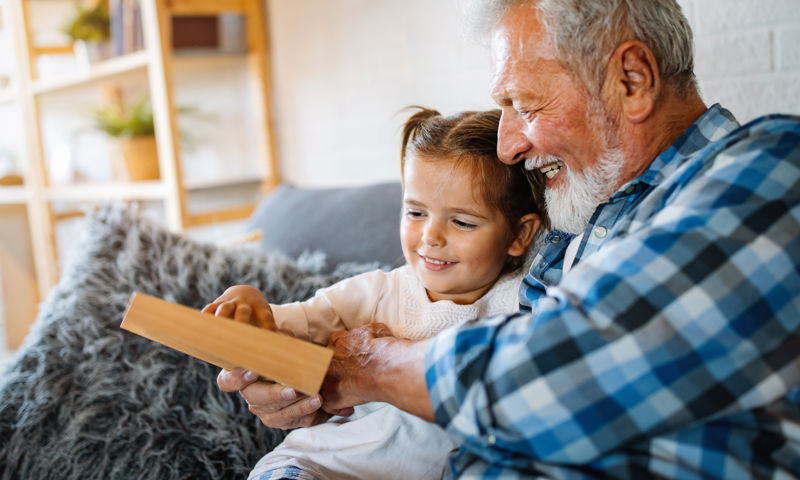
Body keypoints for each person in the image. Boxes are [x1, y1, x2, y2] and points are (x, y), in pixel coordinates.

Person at [219, 0, 800, 478]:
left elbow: (563, 375)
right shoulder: (572, 230)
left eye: (524, 105)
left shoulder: (772, 171)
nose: (507, 147)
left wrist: (365, 368)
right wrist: (318, 394)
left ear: (631, 80)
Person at [205, 107, 547, 480]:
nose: (430, 236)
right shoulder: (377, 292)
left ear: (519, 235)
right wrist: (248, 303)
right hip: (317, 467)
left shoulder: (525, 303)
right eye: (415, 213)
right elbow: (286, 323)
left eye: (462, 221)